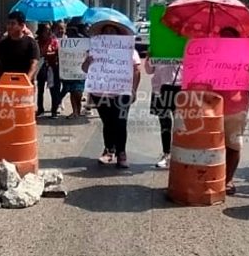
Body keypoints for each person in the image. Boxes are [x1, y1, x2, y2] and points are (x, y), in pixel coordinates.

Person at [81, 23, 142, 169]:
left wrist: (133, 90)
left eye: (112, 31)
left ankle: (121, 153)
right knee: (108, 122)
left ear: (118, 34)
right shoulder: (95, 50)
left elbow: (137, 70)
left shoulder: (128, 50)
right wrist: (88, 62)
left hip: (122, 92)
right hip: (100, 93)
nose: (109, 33)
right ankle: (109, 150)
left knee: (120, 122)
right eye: (106, 31)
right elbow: (84, 69)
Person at [212, 27, 249, 195]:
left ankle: (228, 180)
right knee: (211, 146)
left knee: (233, 145)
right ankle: (213, 178)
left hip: (237, 109)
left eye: (230, 38)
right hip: (211, 109)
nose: (226, 41)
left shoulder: (248, 56)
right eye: (223, 37)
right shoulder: (210, 54)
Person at [146, 57, 182, 169]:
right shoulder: (158, 48)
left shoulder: (183, 46)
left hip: (180, 89)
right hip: (160, 90)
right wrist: (149, 57)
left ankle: (179, 156)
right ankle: (166, 154)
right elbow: (149, 70)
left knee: (181, 126)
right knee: (165, 125)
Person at [0, 10, 40, 82]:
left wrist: (27, 79)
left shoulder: (31, 43)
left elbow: (34, 64)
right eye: (8, 23)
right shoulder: (3, 44)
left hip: (24, 86)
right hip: (6, 84)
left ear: (21, 26)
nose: (9, 26)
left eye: (13, 24)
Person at [58, 23, 87, 118]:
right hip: (69, 71)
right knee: (72, 91)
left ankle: (78, 110)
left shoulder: (82, 40)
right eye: (69, 31)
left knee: (78, 92)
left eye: (72, 31)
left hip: (80, 71)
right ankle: (75, 111)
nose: (70, 33)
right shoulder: (64, 41)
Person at [35, 23, 61, 117]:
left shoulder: (54, 41)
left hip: (52, 67)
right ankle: (40, 108)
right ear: (41, 32)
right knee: (40, 89)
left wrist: (52, 53)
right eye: (46, 30)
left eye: (49, 30)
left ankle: (54, 110)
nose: (49, 32)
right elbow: (38, 54)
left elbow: (58, 52)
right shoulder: (37, 42)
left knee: (53, 89)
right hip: (41, 67)